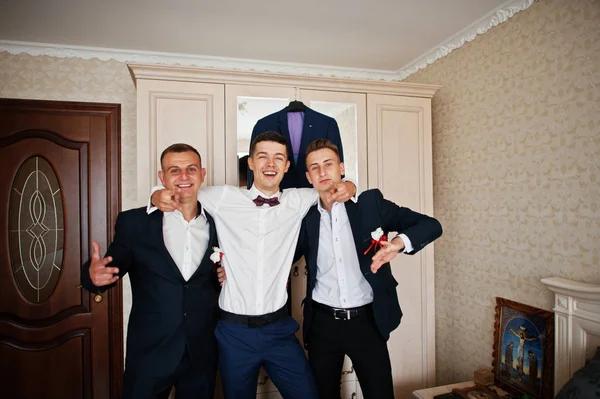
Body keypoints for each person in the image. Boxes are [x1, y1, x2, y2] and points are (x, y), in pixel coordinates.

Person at [218, 139, 443, 398]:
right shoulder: (304, 216)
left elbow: (431, 225)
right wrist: (230, 268)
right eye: (315, 167)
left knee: (380, 393)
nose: (322, 172)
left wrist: (398, 243)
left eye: (328, 164)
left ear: (342, 168)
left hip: (367, 322)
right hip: (322, 325)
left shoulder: (371, 206)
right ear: (307, 177)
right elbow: (269, 251)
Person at [150, 132, 357, 399]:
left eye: (278, 158)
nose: (270, 164)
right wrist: (157, 195)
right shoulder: (223, 197)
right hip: (233, 333)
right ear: (250, 163)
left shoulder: (299, 199)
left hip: (279, 330)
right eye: (262, 157)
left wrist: (350, 185)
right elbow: (182, 187)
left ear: (286, 166)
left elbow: (333, 184)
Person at [81, 144, 221, 399]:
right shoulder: (134, 223)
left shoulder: (219, 222)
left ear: (202, 174)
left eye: (191, 169)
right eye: (174, 170)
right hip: (150, 352)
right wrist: (92, 277)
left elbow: (217, 278)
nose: (184, 177)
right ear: (162, 178)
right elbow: (112, 266)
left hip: (201, 352)